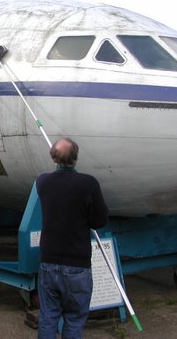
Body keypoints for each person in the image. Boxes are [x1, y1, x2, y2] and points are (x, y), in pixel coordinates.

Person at [36, 138, 108, 339]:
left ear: (53, 157)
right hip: (77, 265)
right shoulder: (88, 184)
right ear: (76, 158)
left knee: (48, 316)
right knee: (75, 319)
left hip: (49, 262)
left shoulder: (42, 182)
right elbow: (99, 220)